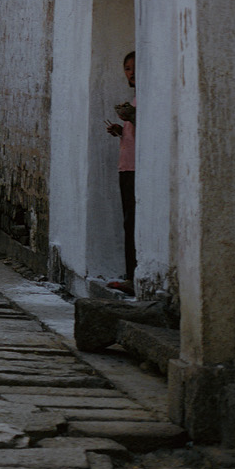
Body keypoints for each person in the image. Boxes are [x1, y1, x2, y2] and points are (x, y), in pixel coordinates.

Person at [103, 51, 137, 293]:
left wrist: (133, 118)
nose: (131, 72)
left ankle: (134, 277)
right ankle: (131, 274)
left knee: (133, 222)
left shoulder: (146, 98)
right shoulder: (135, 100)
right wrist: (120, 129)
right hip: (127, 167)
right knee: (128, 222)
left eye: (136, 67)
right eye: (127, 68)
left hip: (136, 169)